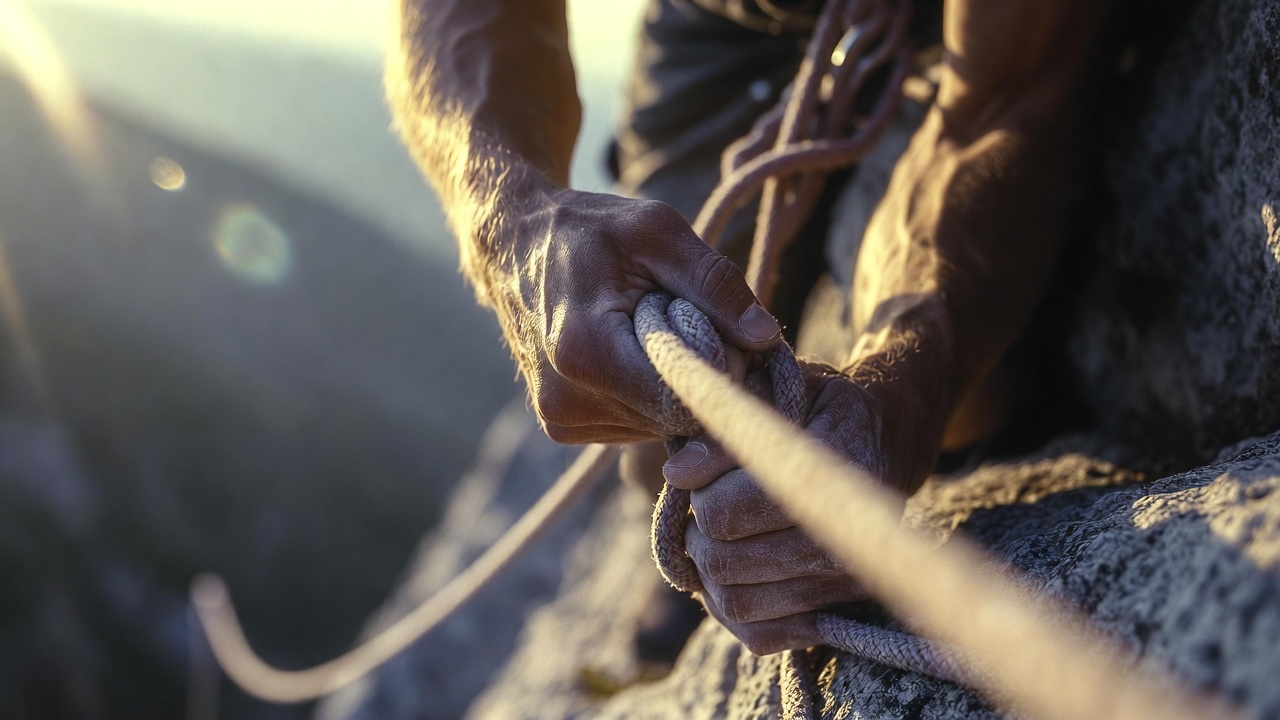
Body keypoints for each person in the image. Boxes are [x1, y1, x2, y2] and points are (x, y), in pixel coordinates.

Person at [386, 0, 1120, 654]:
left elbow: (1010, 92)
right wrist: (509, 219)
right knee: (655, 443)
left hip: (965, 35)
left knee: (968, 406)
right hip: (722, 20)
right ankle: (718, 568)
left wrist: (907, 382)